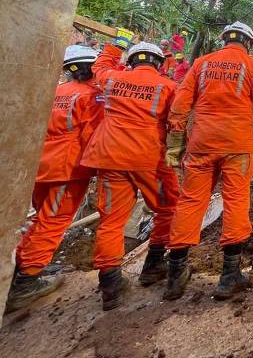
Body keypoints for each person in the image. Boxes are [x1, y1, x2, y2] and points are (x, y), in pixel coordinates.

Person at [164, 21, 253, 301]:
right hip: (238, 146)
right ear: (248, 42)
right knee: (236, 201)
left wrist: (175, 143)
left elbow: (180, 103)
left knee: (190, 201)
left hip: (202, 142)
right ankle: (229, 276)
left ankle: (175, 275)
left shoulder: (201, 63)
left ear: (224, 39)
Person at [79, 35, 179, 310]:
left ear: (131, 61)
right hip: (148, 158)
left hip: (110, 156)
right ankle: (154, 264)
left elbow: (99, 65)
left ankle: (110, 286)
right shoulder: (168, 86)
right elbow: (177, 121)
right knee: (168, 208)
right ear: (159, 63)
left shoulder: (111, 78)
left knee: (111, 221)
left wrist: (116, 43)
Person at [7, 46, 104, 312]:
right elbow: (92, 135)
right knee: (53, 221)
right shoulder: (92, 96)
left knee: (41, 218)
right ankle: (26, 284)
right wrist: (98, 167)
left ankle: (21, 268)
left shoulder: (56, 91)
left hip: (41, 162)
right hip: (67, 167)